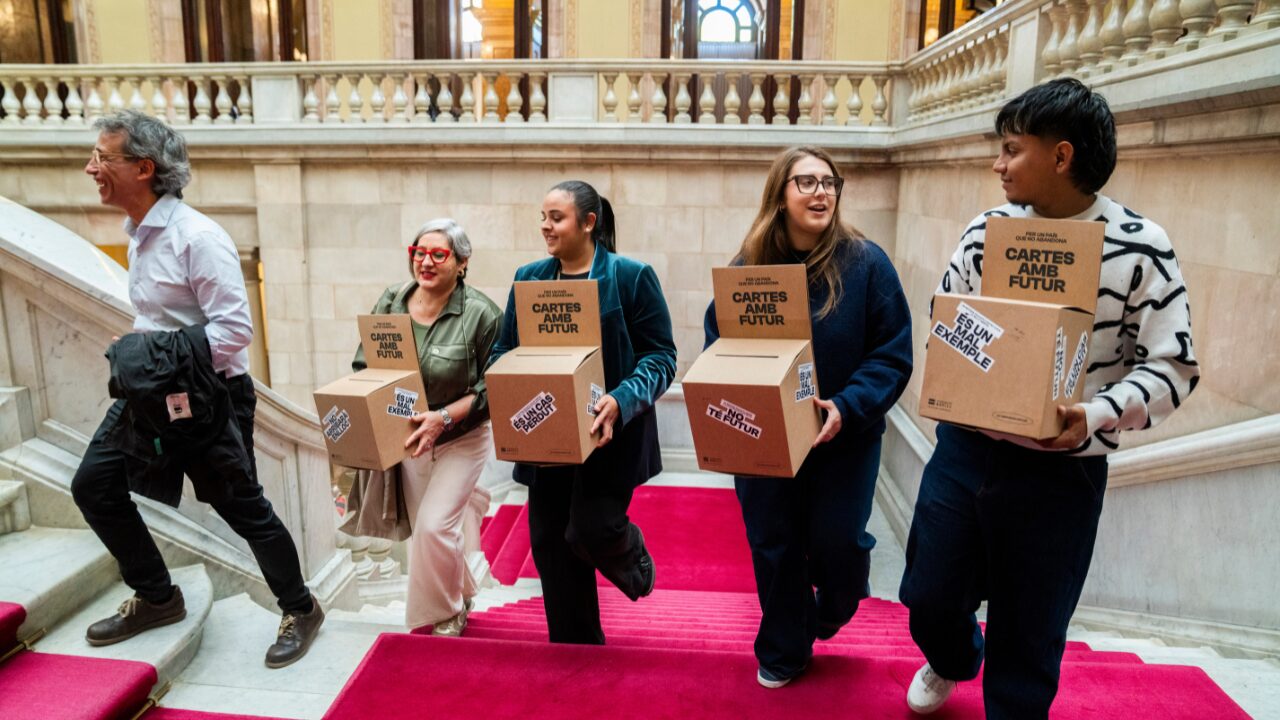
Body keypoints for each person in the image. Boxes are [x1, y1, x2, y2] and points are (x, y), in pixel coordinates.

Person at [898, 78, 1200, 718]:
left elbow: (1172, 367)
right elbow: (945, 318)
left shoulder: (1142, 245)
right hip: (966, 451)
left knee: (1031, 633)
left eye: (1012, 149)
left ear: (1061, 157)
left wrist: (1092, 416)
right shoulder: (986, 231)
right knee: (928, 596)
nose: (998, 164)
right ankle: (953, 658)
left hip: (1064, 473)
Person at [71, 110, 323, 668]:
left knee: (244, 510)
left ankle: (301, 608)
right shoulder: (138, 233)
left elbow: (234, 332)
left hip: (209, 401)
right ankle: (158, 597)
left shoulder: (198, 238)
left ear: (144, 168)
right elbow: (165, 321)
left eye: (102, 157)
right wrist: (143, 351)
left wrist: (143, 353)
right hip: (150, 398)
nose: (91, 168)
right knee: (94, 485)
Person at [704, 146, 913, 688]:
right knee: (773, 545)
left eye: (829, 182)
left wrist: (848, 405)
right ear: (780, 195)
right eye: (807, 182)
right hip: (765, 440)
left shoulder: (867, 263)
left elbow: (892, 354)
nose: (822, 192)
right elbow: (719, 342)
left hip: (844, 439)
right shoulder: (748, 268)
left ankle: (836, 603)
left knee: (838, 545)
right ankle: (783, 651)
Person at [487, 180, 677, 644]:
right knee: (551, 546)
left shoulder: (631, 276)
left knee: (590, 528)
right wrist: (509, 383)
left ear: (588, 222)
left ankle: (632, 558)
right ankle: (576, 650)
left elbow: (661, 357)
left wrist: (621, 399)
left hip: (608, 435)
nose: (545, 226)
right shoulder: (528, 278)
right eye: (543, 217)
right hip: (545, 433)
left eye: (557, 217)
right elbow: (502, 351)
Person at [347, 218, 502, 636]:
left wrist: (443, 417)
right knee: (429, 532)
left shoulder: (483, 314)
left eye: (438, 254)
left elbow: (493, 388)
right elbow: (366, 362)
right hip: (409, 436)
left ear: (462, 262)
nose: (426, 262)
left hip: (462, 435)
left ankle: (447, 612)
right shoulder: (391, 301)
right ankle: (462, 590)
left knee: (434, 527)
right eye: (419, 252)